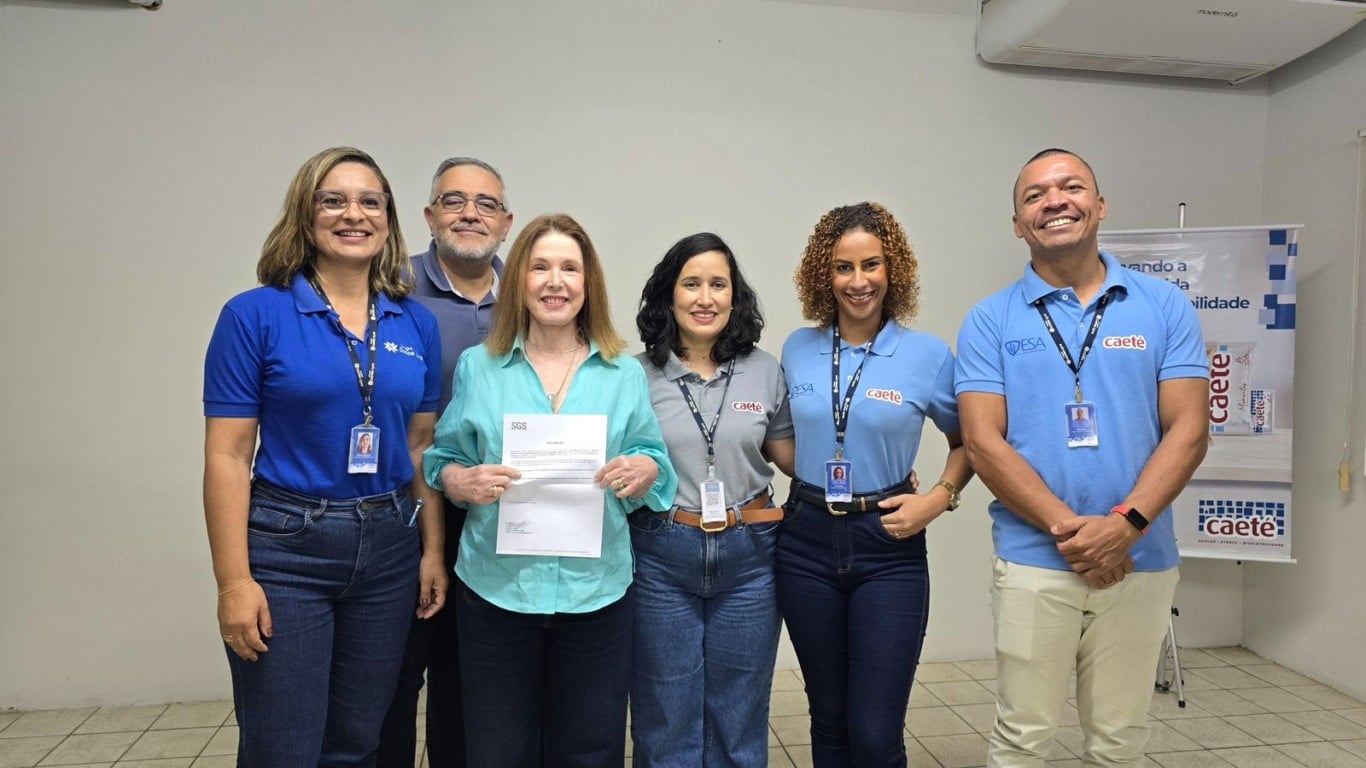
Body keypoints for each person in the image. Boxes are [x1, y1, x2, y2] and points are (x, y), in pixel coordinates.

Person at [955, 148, 1209, 766]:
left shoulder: (1164, 305)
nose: (1054, 202)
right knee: (1022, 737)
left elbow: (1189, 429)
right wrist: (1074, 534)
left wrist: (1124, 527)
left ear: (1100, 204)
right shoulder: (989, 320)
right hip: (1035, 562)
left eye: (1071, 187)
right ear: (1018, 224)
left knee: (1120, 739)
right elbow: (983, 442)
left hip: (1141, 557)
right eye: (1034, 196)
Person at [203, 146, 446, 767]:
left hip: (390, 547)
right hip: (288, 550)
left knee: (358, 744)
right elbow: (228, 456)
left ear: (388, 218)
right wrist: (234, 583)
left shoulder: (414, 322)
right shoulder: (255, 315)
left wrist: (432, 552)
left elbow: (419, 445)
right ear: (304, 214)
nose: (353, 215)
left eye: (370, 202)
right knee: (283, 747)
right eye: (333, 200)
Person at [423, 213, 678, 767]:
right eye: (540, 267)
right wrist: (460, 479)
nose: (555, 282)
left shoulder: (622, 373)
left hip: (596, 595)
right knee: (496, 751)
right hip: (496, 592)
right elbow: (441, 459)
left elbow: (656, 464)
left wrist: (644, 471)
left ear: (588, 283)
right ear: (519, 278)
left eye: (569, 268)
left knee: (590, 752)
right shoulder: (479, 367)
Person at [777, 202, 973, 767]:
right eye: (843, 267)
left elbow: (969, 443)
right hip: (806, 540)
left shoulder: (927, 356)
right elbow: (782, 439)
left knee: (874, 730)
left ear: (894, 271)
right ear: (824, 275)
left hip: (888, 544)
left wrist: (936, 500)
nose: (858, 281)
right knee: (828, 719)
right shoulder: (798, 348)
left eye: (871, 265)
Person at [629, 233, 795, 768]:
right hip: (661, 554)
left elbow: (790, 454)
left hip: (751, 556)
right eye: (691, 284)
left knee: (739, 714)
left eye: (718, 285)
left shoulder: (765, 370)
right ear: (668, 296)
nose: (705, 298)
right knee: (665, 713)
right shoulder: (634, 375)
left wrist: (870, 473)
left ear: (734, 295)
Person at [378, 157, 513, 768]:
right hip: (407, 513)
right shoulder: (390, 290)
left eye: (486, 204)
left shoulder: (532, 294)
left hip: (499, 515)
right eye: (454, 201)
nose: (470, 214)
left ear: (506, 222)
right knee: (394, 677)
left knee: (470, 682)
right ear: (430, 216)